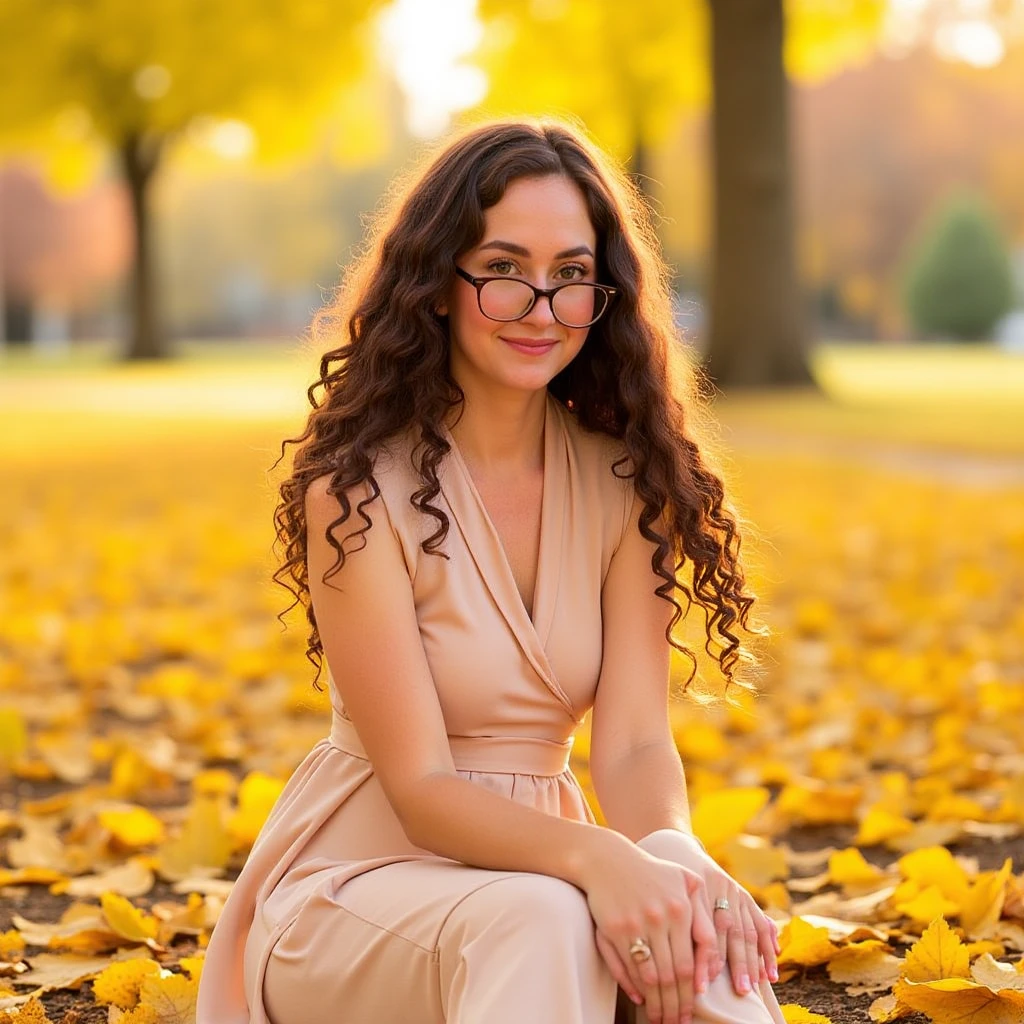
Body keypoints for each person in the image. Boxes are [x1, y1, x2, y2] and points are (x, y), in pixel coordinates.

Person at [196, 118, 787, 1024]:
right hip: (355, 892)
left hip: (545, 875)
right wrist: (599, 859)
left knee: (703, 945)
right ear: (438, 283)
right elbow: (423, 793)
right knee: (546, 918)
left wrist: (676, 854)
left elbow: (630, 746)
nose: (541, 309)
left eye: (571, 276)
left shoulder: (627, 481)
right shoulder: (355, 492)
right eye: (504, 269)